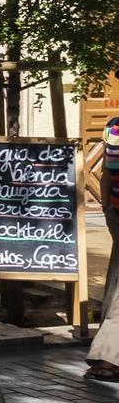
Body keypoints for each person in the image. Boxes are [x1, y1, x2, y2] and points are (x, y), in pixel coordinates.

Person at [85, 116, 119, 381]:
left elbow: (107, 171)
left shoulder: (114, 126)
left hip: (115, 211)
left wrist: (107, 207)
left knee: (115, 280)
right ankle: (107, 356)